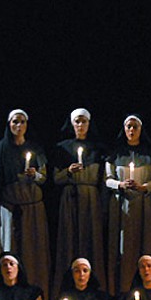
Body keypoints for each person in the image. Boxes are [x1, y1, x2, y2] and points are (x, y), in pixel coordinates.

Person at [0, 109, 52, 300]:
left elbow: (44, 177)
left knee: (33, 253)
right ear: (9, 124)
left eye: (22, 122)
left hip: (32, 209)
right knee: (9, 252)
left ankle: (36, 298)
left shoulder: (35, 149)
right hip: (10, 209)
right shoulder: (1, 150)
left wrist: (34, 175)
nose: (18, 126)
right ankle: (7, 297)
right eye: (15, 122)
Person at [51, 108, 107, 290]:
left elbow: (103, 179)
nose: (80, 125)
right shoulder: (62, 148)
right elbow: (56, 179)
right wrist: (68, 171)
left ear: (89, 124)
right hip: (70, 199)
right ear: (72, 124)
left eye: (84, 121)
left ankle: (94, 287)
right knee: (69, 241)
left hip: (91, 200)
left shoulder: (98, 148)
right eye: (77, 121)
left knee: (91, 241)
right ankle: (66, 287)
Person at [105, 114, 151, 295]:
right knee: (124, 248)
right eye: (128, 126)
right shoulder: (115, 153)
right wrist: (120, 184)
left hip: (145, 205)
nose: (131, 130)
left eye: (135, 127)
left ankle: (148, 287)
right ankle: (123, 289)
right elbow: (107, 179)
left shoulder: (149, 154)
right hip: (122, 206)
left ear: (141, 130)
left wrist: (145, 187)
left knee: (147, 243)